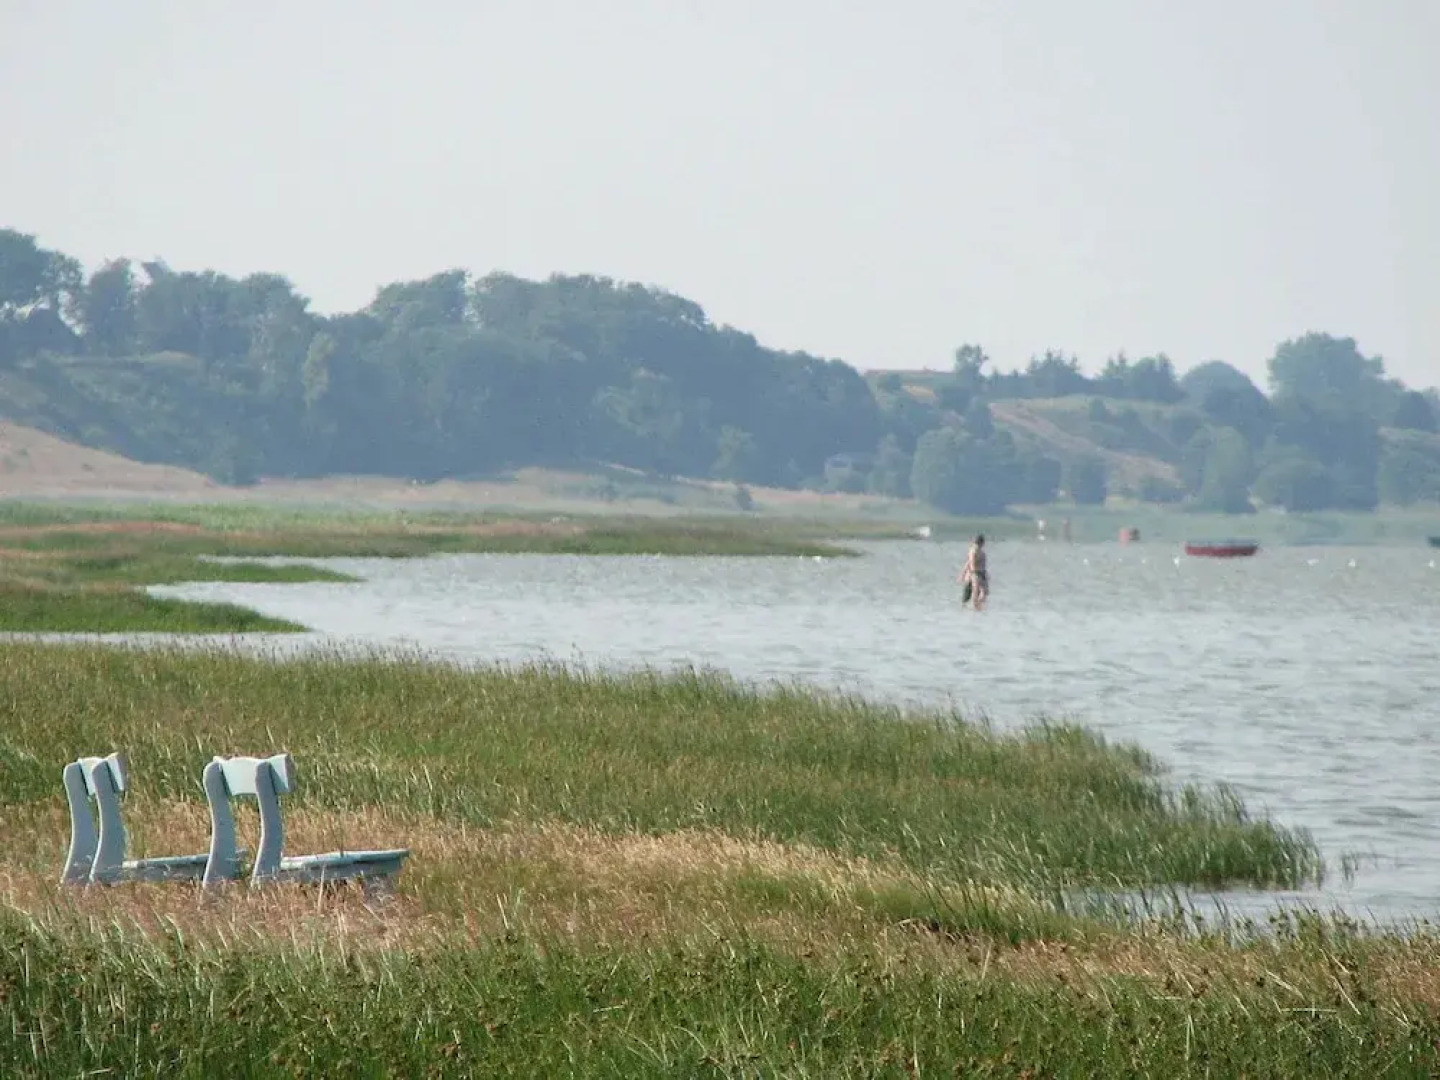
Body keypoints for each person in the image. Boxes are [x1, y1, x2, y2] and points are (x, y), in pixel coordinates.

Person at [957, 534, 988, 610]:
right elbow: (971, 563)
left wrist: (963, 574)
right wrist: (967, 574)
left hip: (981, 573)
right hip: (975, 573)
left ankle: (977, 607)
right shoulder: (974, 551)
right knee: (976, 592)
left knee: (983, 592)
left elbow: (968, 563)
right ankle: (975, 607)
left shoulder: (980, 552)